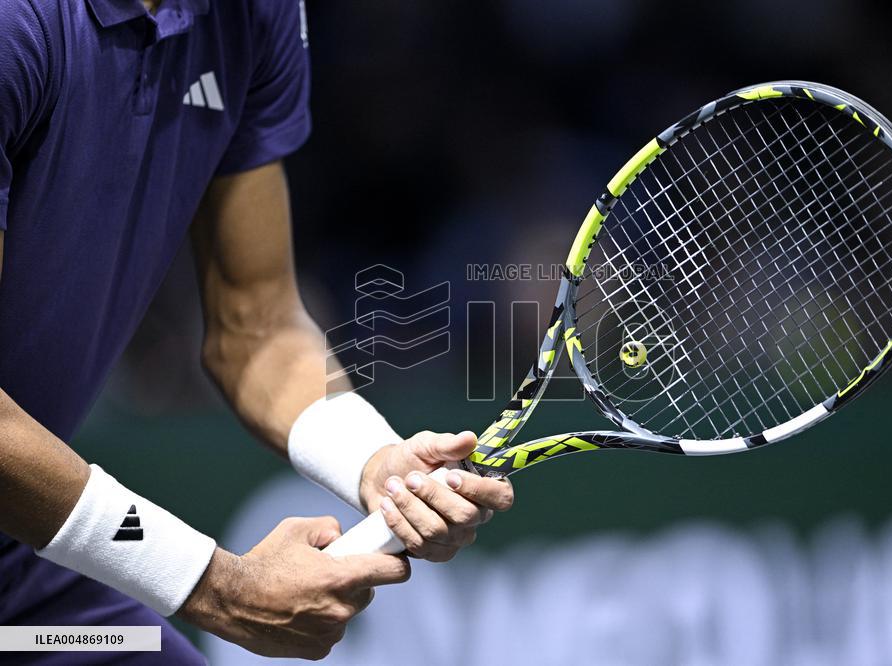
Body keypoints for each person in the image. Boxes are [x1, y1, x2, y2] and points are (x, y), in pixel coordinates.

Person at [0, 0, 513, 662]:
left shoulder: (253, 13)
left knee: (122, 648)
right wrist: (218, 586)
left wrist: (378, 466)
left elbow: (257, 325)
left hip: (19, 602)